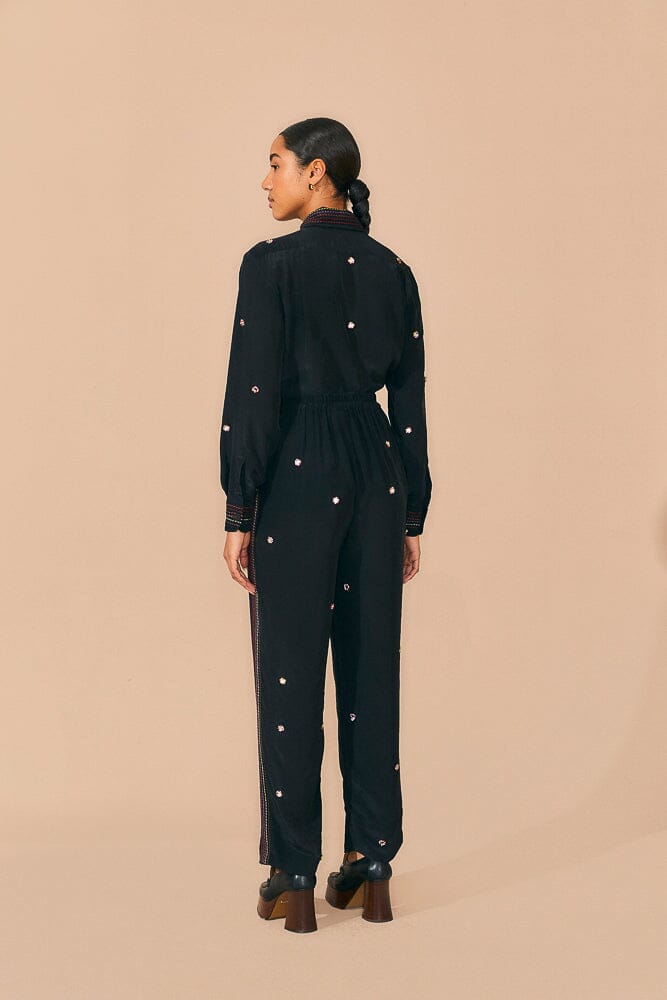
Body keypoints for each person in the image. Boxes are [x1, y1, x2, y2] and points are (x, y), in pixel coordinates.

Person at [219, 117, 432, 932]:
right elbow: (407, 400)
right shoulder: (393, 270)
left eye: (274, 164)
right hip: (376, 469)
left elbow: (254, 391)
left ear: (314, 173)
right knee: (371, 670)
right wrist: (410, 509)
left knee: (290, 674)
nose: (265, 180)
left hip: (298, 470)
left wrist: (240, 505)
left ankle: (294, 872)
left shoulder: (269, 265)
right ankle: (371, 862)